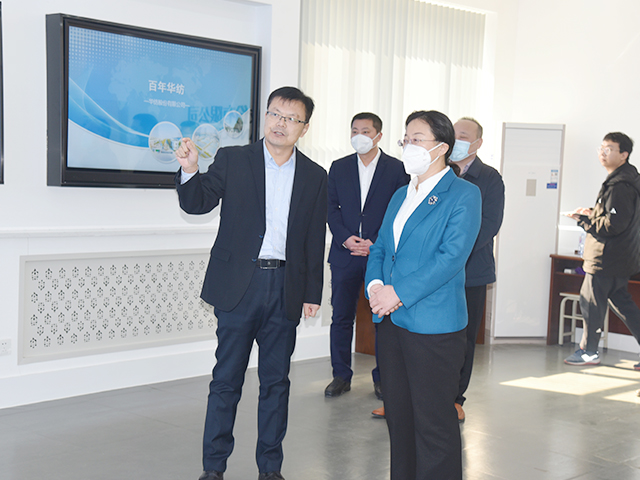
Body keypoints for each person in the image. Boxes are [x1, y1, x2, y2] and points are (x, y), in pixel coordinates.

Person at [175, 87, 328, 480]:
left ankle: (270, 470)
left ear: (304, 128)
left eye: (291, 118)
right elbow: (197, 203)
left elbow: (314, 236)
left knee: (276, 384)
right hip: (239, 288)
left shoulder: (314, 175)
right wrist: (191, 170)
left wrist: (312, 292)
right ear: (266, 116)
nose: (280, 123)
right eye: (275, 114)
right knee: (226, 381)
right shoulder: (234, 159)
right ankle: (213, 468)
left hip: (285, 288)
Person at [366, 110, 481, 479]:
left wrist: (398, 292)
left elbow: (450, 258)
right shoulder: (402, 193)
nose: (408, 146)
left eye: (417, 139)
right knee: (399, 419)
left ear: (442, 147)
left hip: (434, 326)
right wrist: (376, 287)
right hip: (392, 321)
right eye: (406, 139)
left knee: (433, 424)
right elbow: (381, 247)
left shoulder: (464, 194)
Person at [324, 112, 409, 399]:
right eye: (354, 131)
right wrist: (345, 238)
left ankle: (383, 378)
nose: (359, 136)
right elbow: (330, 208)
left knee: (382, 319)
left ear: (378, 136)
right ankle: (340, 375)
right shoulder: (338, 167)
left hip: (380, 255)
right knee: (341, 317)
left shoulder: (397, 169)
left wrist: (376, 242)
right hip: (345, 253)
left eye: (365, 131)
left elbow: (399, 211)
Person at [564, 132, 640, 369]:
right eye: (602, 148)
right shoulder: (626, 180)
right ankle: (589, 350)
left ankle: (589, 352)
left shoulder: (620, 185)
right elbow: (614, 217)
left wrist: (584, 221)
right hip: (620, 257)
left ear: (624, 155)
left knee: (591, 305)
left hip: (606, 258)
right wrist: (592, 213)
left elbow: (613, 225)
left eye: (609, 149)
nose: (603, 153)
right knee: (624, 305)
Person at [449, 117, 505, 422]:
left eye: (463, 135)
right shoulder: (439, 170)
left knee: (464, 338)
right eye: (453, 134)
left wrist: (452, 252)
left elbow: (489, 225)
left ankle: (455, 399)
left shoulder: (490, 178)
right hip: (436, 271)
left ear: (478, 143)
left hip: (471, 272)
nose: (456, 140)